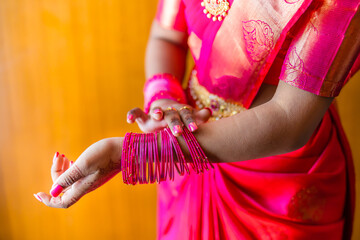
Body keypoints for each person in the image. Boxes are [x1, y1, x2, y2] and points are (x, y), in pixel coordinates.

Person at [35, 0, 360, 239]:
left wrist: (132, 154)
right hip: (181, 144)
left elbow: (289, 119)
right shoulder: (172, 136)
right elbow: (166, 36)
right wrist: (164, 104)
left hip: (276, 176)